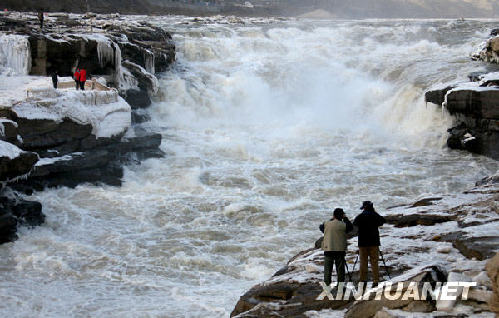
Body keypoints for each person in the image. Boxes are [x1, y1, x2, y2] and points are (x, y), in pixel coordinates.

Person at [353, 201, 385, 285]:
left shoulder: (360, 216)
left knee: (363, 262)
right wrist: (374, 212)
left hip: (362, 243)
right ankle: (375, 280)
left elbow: (354, 223)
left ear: (364, 208)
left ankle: (363, 280)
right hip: (374, 242)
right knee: (374, 262)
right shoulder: (374, 216)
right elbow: (382, 221)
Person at [319, 208, 353, 286]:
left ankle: (327, 286)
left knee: (328, 270)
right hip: (340, 250)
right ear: (342, 216)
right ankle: (340, 286)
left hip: (328, 249)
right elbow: (350, 227)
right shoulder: (344, 225)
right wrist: (345, 218)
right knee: (340, 270)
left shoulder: (326, 224)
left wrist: (332, 219)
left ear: (334, 215)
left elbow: (320, 227)